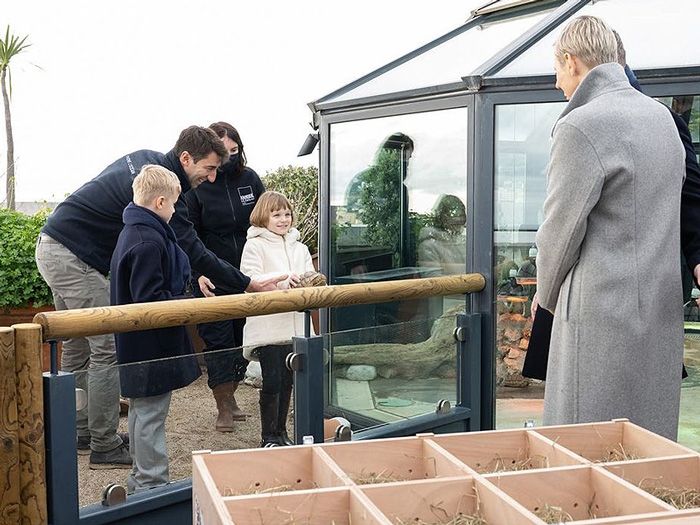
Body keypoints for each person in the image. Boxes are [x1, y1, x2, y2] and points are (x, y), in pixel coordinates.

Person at [34, 126, 283, 468]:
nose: (211, 178)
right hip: (72, 256)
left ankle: (82, 432)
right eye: (208, 168)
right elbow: (192, 247)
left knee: (77, 345)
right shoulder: (163, 193)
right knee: (106, 343)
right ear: (185, 159)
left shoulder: (146, 163)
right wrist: (248, 283)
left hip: (54, 246)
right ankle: (104, 444)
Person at [535, 16, 685, 439]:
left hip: (598, 314)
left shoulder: (580, 125)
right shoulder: (662, 121)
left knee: (585, 448)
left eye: (557, 69)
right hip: (659, 307)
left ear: (572, 61)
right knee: (648, 445)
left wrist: (545, 297)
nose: (557, 82)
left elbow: (559, 232)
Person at [110, 165, 201, 492]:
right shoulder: (148, 240)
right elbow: (151, 302)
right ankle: (152, 484)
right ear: (161, 202)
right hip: (150, 348)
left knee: (141, 410)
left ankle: (141, 478)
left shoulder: (133, 233)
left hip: (137, 347)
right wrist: (185, 300)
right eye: (175, 203)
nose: (176, 210)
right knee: (150, 415)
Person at [185, 122, 265, 432]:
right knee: (218, 340)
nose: (228, 158)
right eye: (223, 153)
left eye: (234, 151)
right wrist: (198, 273)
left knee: (243, 337)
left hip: (249, 275)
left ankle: (231, 396)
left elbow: (264, 221)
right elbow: (187, 235)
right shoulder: (198, 184)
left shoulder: (250, 180)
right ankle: (223, 404)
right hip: (211, 277)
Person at [240, 191, 316, 447]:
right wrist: (283, 282)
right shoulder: (254, 245)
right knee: (272, 381)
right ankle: (268, 436)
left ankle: (281, 433)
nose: (283, 219)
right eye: (277, 214)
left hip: (296, 325)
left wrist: (310, 282)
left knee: (288, 381)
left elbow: (310, 276)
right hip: (269, 326)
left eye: (287, 214)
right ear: (264, 216)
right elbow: (250, 279)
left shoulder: (301, 247)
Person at [417, 194, 467, 275]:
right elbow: (433, 280)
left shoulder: (464, 242)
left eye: (462, 215)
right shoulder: (428, 246)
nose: (460, 220)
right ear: (442, 217)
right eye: (454, 215)